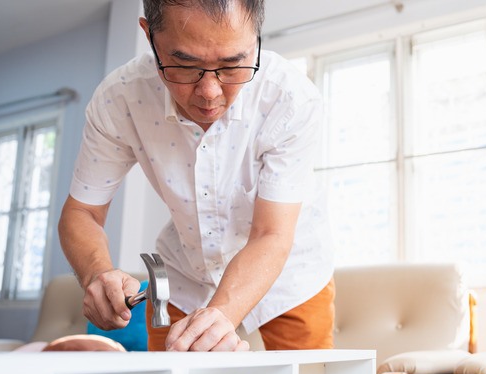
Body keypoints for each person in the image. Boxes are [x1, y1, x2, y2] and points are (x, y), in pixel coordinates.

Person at [58, 0, 334, 352]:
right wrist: (96, 273)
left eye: (232, 65)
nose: (209, 93)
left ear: (256, 36)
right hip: (184, 274)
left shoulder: (291, 98)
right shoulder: (119, 100)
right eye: (184, 65)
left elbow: (271, 233)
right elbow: (82, 211)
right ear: (149, 36)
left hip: (288, 272)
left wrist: (221, 315)